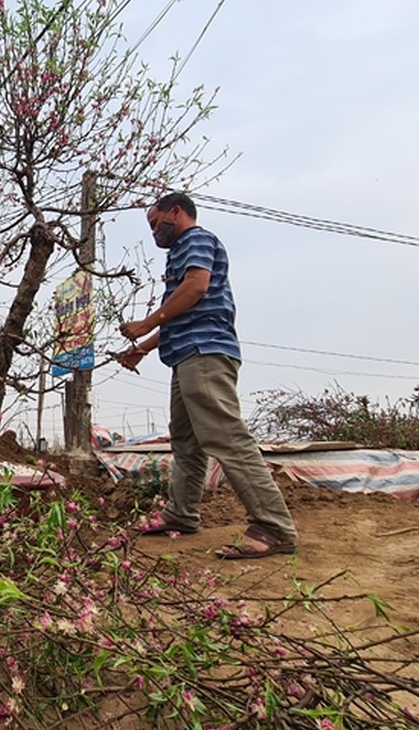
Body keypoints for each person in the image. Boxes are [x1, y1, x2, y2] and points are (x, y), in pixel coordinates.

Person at [116, 192, 298, 559]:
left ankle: (275, 527)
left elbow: (195, 288)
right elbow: (182, 311)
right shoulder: (180, 251)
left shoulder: (196, 239)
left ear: (176, 213)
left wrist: (146, 323)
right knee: (186, 442)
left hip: (205, 354)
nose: (154, 233)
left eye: (155, 223)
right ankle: (181, 514)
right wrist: (145, 347)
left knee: (226, 437)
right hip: (186, 354)